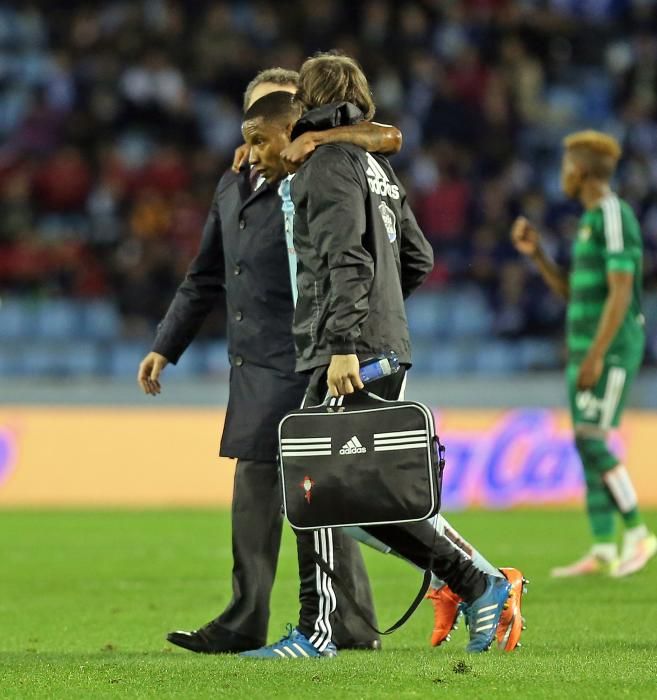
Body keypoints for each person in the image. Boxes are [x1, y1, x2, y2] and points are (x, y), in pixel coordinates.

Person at [241, 54, 512, 659]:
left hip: (350, 352)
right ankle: (478, 583)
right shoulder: (374, 168)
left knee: (311, 486)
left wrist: (345, 339)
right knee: (359, 495)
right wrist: (378, 316)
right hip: (380, 345)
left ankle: (317, 634)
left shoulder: (324, 164)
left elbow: (348, 261)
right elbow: (416, 258)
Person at [137, 67, 404, 654]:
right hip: (257, 358)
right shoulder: (236, 182)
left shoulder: (323, 162)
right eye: (250, 125)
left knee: (320, 493)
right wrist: (166, 343)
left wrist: (323, 138)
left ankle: (347, 623)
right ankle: (252, 620)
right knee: (263, 493)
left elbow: (386, 137)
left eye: (271, 122)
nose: (257, 140)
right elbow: (206, 273)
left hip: (312, 351)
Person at [511, 130, 657, 578]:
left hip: (609, 349)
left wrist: (596, 355)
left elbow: (621, 292)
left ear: (580, 170)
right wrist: (538, 257)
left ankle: (638, 533)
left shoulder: (614, 215)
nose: (561, 175)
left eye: (565, 166)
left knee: (591, 440)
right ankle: (602, 549)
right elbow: (575, 292)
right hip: (585, 350)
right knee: (587, 444)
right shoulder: (591, 220)